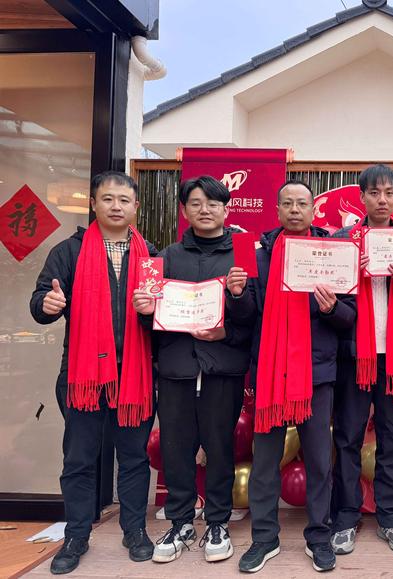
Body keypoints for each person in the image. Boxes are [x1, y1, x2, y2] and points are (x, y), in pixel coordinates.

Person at [30, 171, 158, 575]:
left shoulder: (151, 255)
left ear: (136, 207)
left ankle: (135, 531)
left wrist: (152, 312)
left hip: (135, 376)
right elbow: (40, 300)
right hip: (83, 376)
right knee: (79, 460)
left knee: (134, 459)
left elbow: (161, 318)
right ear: (93, 204)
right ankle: (76, 536)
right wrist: (46, 305)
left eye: (124, 200)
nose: (116, 206)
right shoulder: (68, 251)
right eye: (107, 199)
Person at [230, 180, 356, 573]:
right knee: (265, 463)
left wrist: (332, 308)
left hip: (315, 375)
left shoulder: (333, 253)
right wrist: (238, 294)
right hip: (271, 373)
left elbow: (349, 318)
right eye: (288, 203)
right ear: (278, 210)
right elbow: (246, 318)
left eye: (302, 203)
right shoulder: (258, 255)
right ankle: (264, 539)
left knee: (319, 462)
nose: (295, 210)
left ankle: (319, 536)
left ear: (313, 209)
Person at [132, 176, 253, 564]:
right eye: (196, 203)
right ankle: (181, 521)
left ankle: (217, 522)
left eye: (213, 204)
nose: (205, 210)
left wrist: (233, 308)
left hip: (222, 368)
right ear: (184, 210)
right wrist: (145, 311)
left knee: (220, 448)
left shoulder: (242, 254)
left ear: (226, 210)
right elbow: (149, 322)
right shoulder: (165, 257)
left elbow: (253, 318)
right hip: (177, 367)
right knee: (176, 449)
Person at [330, 164, 393, 555]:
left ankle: (391, 517)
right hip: (354, 356)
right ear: (362, 197)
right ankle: (346, 516)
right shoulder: (344, 241)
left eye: (389, 193)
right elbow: (329, 300)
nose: (382, 200)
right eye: (374, 193)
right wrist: (352, 275)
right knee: (348, 437)